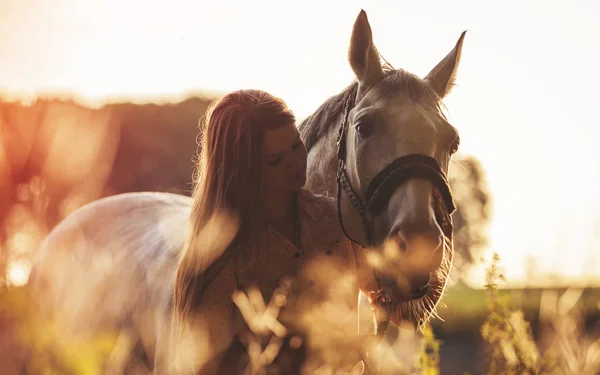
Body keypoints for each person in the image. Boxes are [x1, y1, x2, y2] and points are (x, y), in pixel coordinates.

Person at [169, 89, 378, 375]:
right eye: (275, 160)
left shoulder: (337, 220)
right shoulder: (224, 257)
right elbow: (205, 365)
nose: (294, 162)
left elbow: (384, 295)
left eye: (296, 145)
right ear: (244, 170)